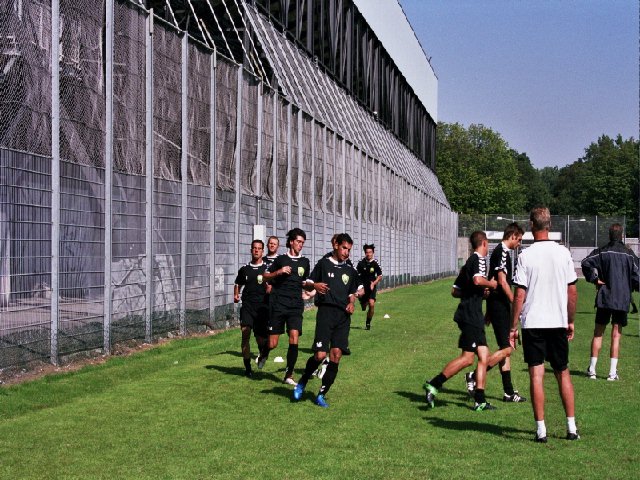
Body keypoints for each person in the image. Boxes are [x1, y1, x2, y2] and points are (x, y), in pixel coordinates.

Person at [510, 207, 579, 442]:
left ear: (532, 225)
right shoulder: (563, 253)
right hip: (557, 321)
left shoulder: (526, 256)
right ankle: (571, 428)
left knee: (536, 375)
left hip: (534, 323)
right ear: (549, 225)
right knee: (563, 372)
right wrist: (570, 320)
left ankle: (541, 431)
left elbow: (520, 294)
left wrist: (512, 327)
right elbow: (572, 292)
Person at [423, 231, 498, 411]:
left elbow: (455, 291)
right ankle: (434, 384)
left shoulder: (467, 264)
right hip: (471, 316)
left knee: (483, 356)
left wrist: (477, 292)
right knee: (467, 359)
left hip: (471, 314)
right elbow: (478, 280)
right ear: (484, 243)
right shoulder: (479, 259)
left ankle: (480, 400)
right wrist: (491, 285)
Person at [292, 233, 359, 407]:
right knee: (320, 355)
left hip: (343, 317)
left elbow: (352, 293)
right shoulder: (323, 263)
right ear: (336, 245)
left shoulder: (350, 270)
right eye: (344, 248)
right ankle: (303, 380)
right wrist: (314, 285)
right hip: (326, 314)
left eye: (349, 250)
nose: (346, 253)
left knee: (336, 355)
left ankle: (322, 394)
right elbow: (306, 283)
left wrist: (352, 303)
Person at [465, 223, 526, 403]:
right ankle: (474, 376)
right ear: (513, 235)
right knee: (507, 348)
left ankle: (508, 392)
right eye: (520, 239)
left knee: (505, 348)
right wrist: (514, 301)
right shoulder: (502, 251)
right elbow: (501, 281)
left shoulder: (503, 252)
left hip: (497, 305)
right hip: (500, 305)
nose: (520, 243)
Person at [581, 223, 639, 381]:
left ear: (609, 235)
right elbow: (637, 276)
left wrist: (595, 279)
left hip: (605, 297)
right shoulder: (629, 254)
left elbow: (586, 263)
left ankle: (592, 370)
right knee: (616, 336)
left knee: (598, 333)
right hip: (622, 299)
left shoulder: (602, 252)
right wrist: (633, 286)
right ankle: (612, 374)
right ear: (622, 235)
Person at [260, 228, 313, 385]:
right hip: (279, 304)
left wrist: (311, 289)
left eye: (302, 243)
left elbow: (305, 282)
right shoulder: (281, 260)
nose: (300, 245)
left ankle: (289, 375)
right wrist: (279, 271)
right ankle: (264, 353)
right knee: (273, 343)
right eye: (298, 241)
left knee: (294, 337)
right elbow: (264, 276)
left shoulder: (305, 262)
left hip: (296, 306)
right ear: (291, 242)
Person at [233, 240, 270, 378]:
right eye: (254, 248)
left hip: (262, 309)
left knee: (261, 340)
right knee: (245, 333)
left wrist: (269, 290)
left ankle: (263, 354)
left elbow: (272, 287)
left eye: (259, 248)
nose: (256, 250)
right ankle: (247, 368)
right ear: (251, 250)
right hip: (247, 307)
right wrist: (236, 294)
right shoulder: (244, 269)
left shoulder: (267, 270)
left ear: (262, 251)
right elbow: (238, 283)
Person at [356, 244, 383, 330]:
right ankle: (363, 302)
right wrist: (359, 287)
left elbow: (380, 276)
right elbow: (356, 275)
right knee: (364, 307)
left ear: (373, 253)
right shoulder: (360, 263)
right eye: (367, 252)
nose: (368, 254)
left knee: (371, 304)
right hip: (363, 288)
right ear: (365, 253)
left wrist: (373, 283)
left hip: (372, 287)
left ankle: (368, 323)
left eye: (370, 252)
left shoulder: (375, 263)